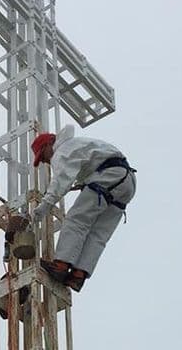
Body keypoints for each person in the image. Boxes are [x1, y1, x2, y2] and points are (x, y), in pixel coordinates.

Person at [30, 125, 137, 292]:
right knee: (98, 234)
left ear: (48, 146)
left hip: (109, 176)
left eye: (42, 157)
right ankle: (78, 275)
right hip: (127, 181)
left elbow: (60, 182)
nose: (45, 161)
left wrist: (42, 208)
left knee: (76, 220)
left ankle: (61, 265)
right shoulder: (78, 145)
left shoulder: (62, 151)